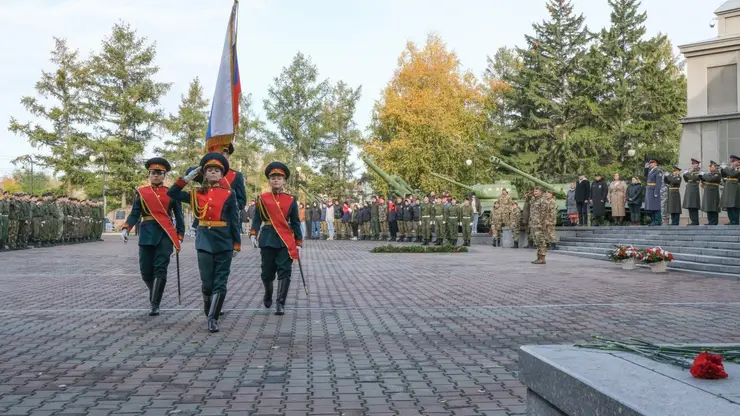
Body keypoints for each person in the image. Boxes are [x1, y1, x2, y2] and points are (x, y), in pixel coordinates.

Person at [168, 153, 241, 332]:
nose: (214, 172)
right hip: (204, 241)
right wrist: (187, 178)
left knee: (220, 281)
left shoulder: (229, 194)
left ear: (222, 174)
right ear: (204, 173)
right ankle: (209, 307)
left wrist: (236, 243)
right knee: (207, 282)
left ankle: (212, 318)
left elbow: (234, 220)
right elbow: (172, 193)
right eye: (210, 170)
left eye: (217, 170)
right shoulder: (195, 194)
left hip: (224, 240)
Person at [120, 158, 184, 317]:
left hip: (165, 234)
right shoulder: (142, 193)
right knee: (145, 271)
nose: (156, 175)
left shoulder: (171, 193)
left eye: (159, 173)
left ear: (164, 175)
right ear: (149, 174)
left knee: (160, 268)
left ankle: (155, 303)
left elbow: (179, 216)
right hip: (147, 234)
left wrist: (180, 235)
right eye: (153, 173)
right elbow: (135, 213)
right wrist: (127, 228)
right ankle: (155, 291)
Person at [250, 161, 302, 315]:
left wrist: (298, 241)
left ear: (284, 180)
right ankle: (268, 293)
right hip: (267, 238)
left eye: (279, 177)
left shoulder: (291, 200)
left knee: (285, 271)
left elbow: (295, 222)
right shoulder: (263, 198)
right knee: (267, 272)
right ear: (269, 180)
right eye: (273, 178)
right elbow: (257, 218)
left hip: (285, 239)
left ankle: (280, 302)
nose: (276, 180)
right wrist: (253, 233)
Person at [529, 187, 549, 264]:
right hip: (534, 223)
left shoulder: (543, 200)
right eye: (534, 191)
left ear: (541, 192)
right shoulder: (534, 200)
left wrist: (541, 223)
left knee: (541, 240)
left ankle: (542, 258)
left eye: (537, 191)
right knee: (537, 240)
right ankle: (539, 257)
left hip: (540, 224)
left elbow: (544, 213)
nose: (535, 193)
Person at [700, 161, 722, 225]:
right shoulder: (709, 174)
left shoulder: (717, 174)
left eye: (712, 166)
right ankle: (710, 221)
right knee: (708, 207)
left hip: (713, 193)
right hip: (708, 192)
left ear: (715, 167)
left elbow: (710, 179)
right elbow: (704, 179)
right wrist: (701, 176)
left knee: (713, 207)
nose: (710, 168)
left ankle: (714, 222)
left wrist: (703, 174)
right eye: (710, 166)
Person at [721, 155, 740, 225]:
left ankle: (735, 220)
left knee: (734, 204)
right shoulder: (730, 169)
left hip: (734, 188)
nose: (732, 163)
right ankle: (731, 220)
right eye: (732, 161)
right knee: (729, 204)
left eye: (734, 161)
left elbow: (732, 174)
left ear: (738, 162)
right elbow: (724, 175)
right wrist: (722, 169)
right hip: (728, 187)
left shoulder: (738, 168)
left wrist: (725, 168)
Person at [682, 158, 702, 226]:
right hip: (689, 188)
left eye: (694, 164)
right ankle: (693, 221)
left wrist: (687, 174)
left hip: (694, 189)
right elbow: (687, 180)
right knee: (690, 206)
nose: (693, 165)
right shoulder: (691, 171)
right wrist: (684, 175)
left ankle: (695, 221)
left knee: (693, 206)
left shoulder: (699, 171)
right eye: (692, 164)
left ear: (697, 164)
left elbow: (694, 178)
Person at [645, 158, 663, 226]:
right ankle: (654, 221)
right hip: (649, 190)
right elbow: (645, 177)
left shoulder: (658, 171)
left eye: (652, 163)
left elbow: (658, 183)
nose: (650, 164)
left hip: (654, 190)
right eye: (650, 163)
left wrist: (656, 192)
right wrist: (646, 169)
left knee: (656, 206)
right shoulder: (651, 170)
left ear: (655, 164)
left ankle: (658, 221)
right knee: (651, 207)